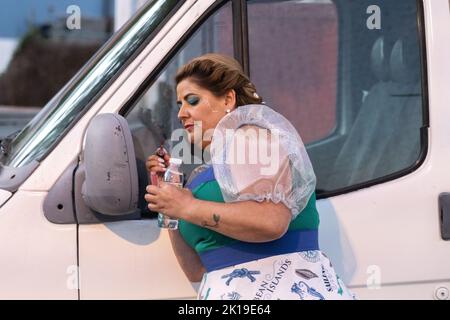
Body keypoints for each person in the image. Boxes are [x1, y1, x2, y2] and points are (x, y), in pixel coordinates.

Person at [145, 53, 355, 300]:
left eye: (192, 100)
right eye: (179, 104)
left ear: (228, 98)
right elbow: (196, 269)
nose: (182, 113)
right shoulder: (204, 172)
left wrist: (188, 205)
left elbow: (272, 221)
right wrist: (170, 203)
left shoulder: (249, 137)